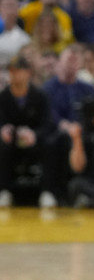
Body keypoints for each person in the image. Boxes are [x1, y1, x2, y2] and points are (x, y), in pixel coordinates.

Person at [0, 56, 63, 208]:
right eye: (11, 71)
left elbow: (48, 124)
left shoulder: (40, 96)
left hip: (34, 141)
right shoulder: (3, 97)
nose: (14, 75)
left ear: (28, 72)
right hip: (10, 142)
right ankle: (4, 191)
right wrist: (3, 130)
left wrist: (35, 135)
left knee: (51, 144)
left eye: (17, 71)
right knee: (2, 146)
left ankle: (47, 191)